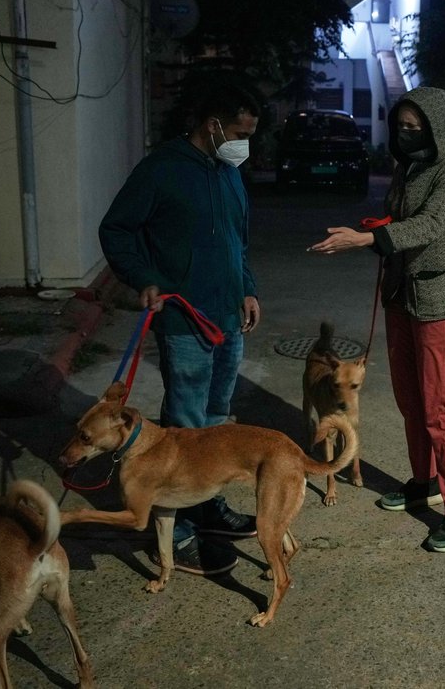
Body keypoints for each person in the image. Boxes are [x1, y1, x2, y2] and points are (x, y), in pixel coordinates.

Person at [98, 84, 263, 576]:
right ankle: (177, 531)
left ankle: (206, 504)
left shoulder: (228, 171)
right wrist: (144, 278)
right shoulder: (161, 169)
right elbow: (116, 229)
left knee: (215, 422)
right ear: (212, 125)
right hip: (184, 319)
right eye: (240, 133)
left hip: (229, 318)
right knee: (185, 427)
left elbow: (240, 241)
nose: (245, 144)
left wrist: (248, 289)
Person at [309, 87, 445, 553]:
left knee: (439, 408)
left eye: (414, 128)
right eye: (400, 126)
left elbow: (431, 224)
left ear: (436, 128)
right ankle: (423, 481)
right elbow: (398, 218)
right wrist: (375, 229)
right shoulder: (409, 166)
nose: (405, 134)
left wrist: (367, 242)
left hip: (440, 298)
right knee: (410, 400)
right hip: (401, 294)